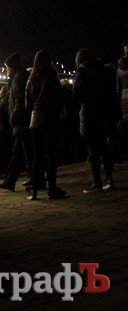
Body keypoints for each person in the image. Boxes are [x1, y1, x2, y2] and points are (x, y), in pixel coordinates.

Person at [25, 50, 66, 201]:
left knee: (37, 155)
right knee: (51, 155)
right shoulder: (52, 78)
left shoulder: (31, 80)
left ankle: (35, 190)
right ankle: (52, 189)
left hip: (35, 120)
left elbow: (28, 104)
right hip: (51, 119)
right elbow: (59, 99)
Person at [73, 48, 116, 192]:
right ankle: (109, 179)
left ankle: (97, 181)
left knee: (93, 149)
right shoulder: (103, 71)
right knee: (104, 147)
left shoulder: (82, 72)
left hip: (89, 114)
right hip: (104, 112)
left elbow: (76, 95)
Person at [0, 53, 32, 191]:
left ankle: (35, 179)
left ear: (11, 67)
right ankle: (10, 181)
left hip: (21, 120)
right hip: (22, 119)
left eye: (7, 67)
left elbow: (19, 101)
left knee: (26, 152)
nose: (6, 70)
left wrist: (13, 117)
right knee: (18, 153)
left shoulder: (18, 79)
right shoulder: (20, 76)